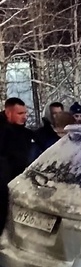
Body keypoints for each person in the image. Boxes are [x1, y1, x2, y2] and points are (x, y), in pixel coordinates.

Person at [0, 98, 37, 234]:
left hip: (20, 183)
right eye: (20, 113)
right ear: (8, 113)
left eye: (25, 113)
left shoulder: (25, 133)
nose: (24, 117)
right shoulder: (4, 133)